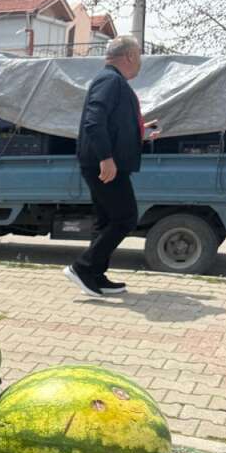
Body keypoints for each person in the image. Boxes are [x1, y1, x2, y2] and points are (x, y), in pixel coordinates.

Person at [65, 35, 158, 298]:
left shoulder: (112, 81)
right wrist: (106, 158)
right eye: (139, 55)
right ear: (129, 56)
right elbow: (94, 121)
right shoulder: (110, 81)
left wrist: (141, 131)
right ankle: (82, 268)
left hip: (104, 162)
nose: (140, 62)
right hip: (103, 164)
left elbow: (111, 124)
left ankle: (95, 275)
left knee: (106, 220)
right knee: (126, 217)